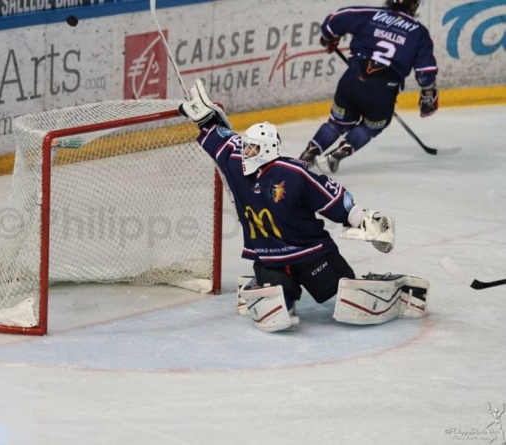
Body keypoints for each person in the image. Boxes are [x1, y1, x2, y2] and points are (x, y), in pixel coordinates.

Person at [178, 78, 429, 332]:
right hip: (269, 260)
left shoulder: (292, 173)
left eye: (252, 149)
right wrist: (205, 120)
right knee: (276, 306)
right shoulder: (236, 162)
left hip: (311, 254)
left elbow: (330, 196)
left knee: (346, 291)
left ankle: (396, 292)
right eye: (246, 147)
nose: (245, 153)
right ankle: (270, 289)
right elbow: (224, 141)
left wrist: (360, 218)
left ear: (266, 150)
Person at [299, 0, 439, 174]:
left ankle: (307, 156)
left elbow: (331, 24)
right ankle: (335, 156)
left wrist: (329, 38)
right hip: (382, 92)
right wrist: (428, 96)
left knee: (336, 123)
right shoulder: (419, 33)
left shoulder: (369, 13)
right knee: (373, 125)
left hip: (351, 81)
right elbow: (425, 73)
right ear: (415, 5)